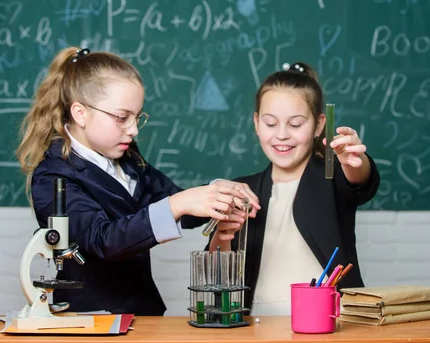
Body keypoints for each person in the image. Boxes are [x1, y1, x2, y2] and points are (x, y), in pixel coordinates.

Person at [16, 47, 260, 316]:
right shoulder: (53, 176)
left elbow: (183, 208)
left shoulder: (128, 158)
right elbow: (104, 239)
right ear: (80, 113)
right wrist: (178, 203)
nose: (133, 129)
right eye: (122, 117)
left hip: (143, 316)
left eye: (137, 117)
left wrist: (219, 192)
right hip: (90, 321)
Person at [207, 62, 380, 316]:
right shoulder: (245, 189)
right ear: (256, 123)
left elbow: (360, 179)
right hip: (257, 325)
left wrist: (354, 160)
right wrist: (222, 235)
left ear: (319, 125)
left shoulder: (331, 178)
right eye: (270, 123)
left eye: (296, 124)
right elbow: (216, 271)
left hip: (331, 324)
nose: (282, 135)